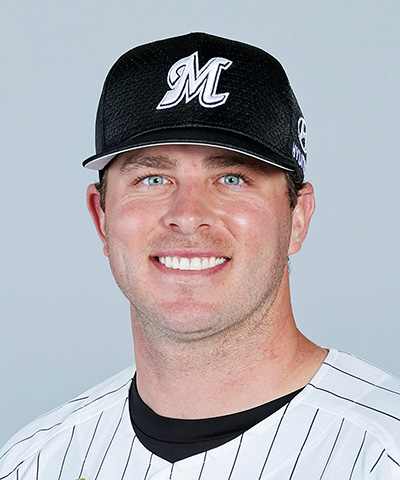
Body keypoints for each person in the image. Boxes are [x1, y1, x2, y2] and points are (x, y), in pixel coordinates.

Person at [1, 32, 399, 480]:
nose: (188, 216)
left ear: (298, 218)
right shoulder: (34, 463)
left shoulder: (385, 454)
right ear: (102, 217)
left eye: (232, 178)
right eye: (153, 179)